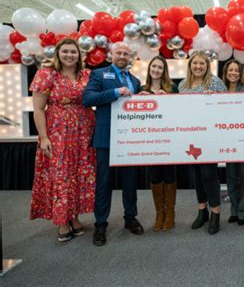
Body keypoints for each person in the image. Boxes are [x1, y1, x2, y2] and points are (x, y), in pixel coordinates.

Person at [29, 38, 96, 242]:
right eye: (65, 51)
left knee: (79, 173)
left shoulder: (86, 74)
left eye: (73, 52)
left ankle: (75, 217)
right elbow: (39, 109)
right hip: (58, 133)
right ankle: (63, 221)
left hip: (83, 131)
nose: (69, 55)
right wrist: (43, 137)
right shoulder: (47, 74)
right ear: (58, 53)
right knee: (62, 174)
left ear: (79, 55)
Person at [83, 42, 144, 246]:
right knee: (104, 182)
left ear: (130, 57)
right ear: (111, 55)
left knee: (130, 181)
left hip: (129, 139)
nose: (122, 56)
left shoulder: (135, 80)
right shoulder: (99, 74)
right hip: (106, 137)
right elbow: (88, 98)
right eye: (118, 52)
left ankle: (130, 217)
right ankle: (100, 224)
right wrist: (116, 92)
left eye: (125, 53)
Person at [178, 51, 227, 235]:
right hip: (190, 137)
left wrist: (214, 98)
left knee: (209, 173)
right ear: (190, 65)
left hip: (210, 136)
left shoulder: (216, 83)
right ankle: (202, 211)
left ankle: (215, 212)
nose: (198, 67)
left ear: (208, 66)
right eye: (195, 63)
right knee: (196, 174)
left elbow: (227, 107)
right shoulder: (183, 85)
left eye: (202, 64)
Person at [139, 55, 178, 232]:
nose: (156, 70)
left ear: (164, 71)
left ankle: (170, 213)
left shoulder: (172, 88)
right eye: (153, 66)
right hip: (150, 141)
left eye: (160, 67)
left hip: (169, 141)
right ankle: (159, 213)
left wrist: (168, 98)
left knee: (169, 175)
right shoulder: (142, 88)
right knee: (155, 176)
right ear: (149, 69)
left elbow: (180, 113)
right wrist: (138, 98)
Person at [221, 59, 244, 226]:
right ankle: (234, 210)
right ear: (226, 72)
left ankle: (243, 211)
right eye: (231, 70)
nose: (233, 73)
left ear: (240, 72)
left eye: (236, 70)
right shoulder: (220, 89)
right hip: (227, 138)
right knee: (231, 176)